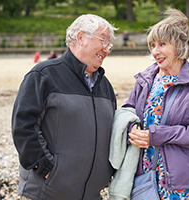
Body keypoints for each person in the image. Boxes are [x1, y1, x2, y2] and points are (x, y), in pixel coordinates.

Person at [12, 14, 118, 200]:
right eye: (103, 41)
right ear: (80, 38)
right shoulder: (43, 75)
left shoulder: (105, 86)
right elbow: (23, 127)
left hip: (91, 195)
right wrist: (46, 169)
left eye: (109, 45)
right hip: (46, 193)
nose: (106, 49)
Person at [123, 8, 189, 199]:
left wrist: (157, 135)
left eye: (162, 44)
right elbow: (127, 111)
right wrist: (132, 128)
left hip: (183, 184)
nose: (155, 51)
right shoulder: (145, 79)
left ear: (179, 45)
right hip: (145, 178)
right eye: (152, 45)